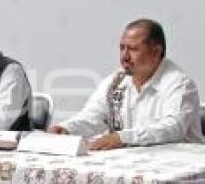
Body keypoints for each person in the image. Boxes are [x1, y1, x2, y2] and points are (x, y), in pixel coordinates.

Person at [48, 19, 203, 150]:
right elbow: (94, 117)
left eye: (133, 49)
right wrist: (67, 129)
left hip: (181, 173)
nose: (124, 57)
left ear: (156, 52)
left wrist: (122, 137)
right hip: (133, 165)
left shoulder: (180, 84)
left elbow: (173, 128)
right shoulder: (116, 81)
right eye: (122, 48)